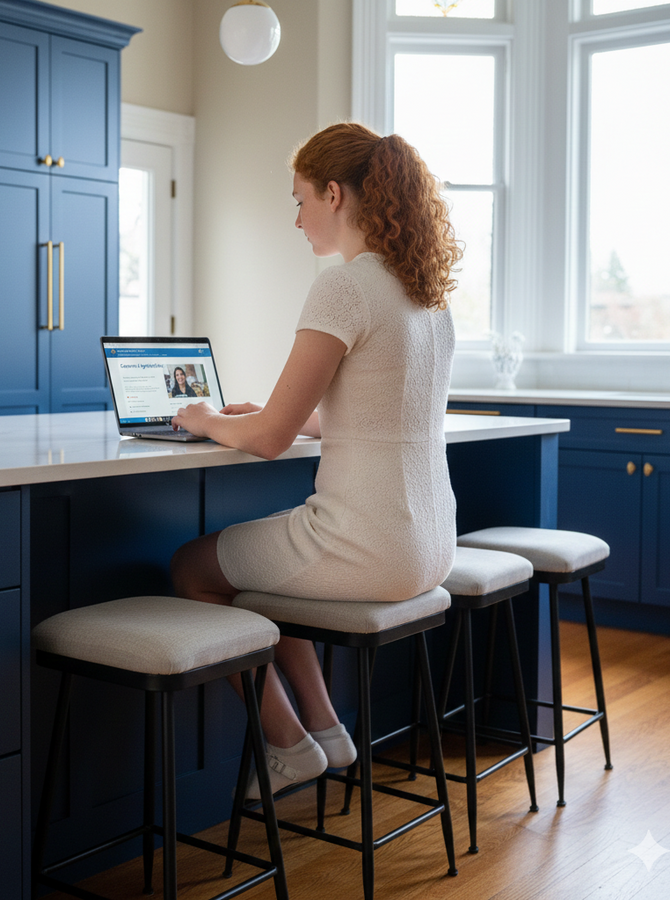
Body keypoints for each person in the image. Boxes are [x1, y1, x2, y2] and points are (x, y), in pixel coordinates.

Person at [170, 122, 462, 797]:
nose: (298, 219)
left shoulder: (345, 286)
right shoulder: (426, 294)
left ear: (334, 194)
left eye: (300, 200)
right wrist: (271, 417)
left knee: (194, 567)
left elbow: (270, 442)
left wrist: (206, 419)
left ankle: (287, 745)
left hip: (366, 546)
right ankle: (328, 732)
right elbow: (369, 415)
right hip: (428, 547)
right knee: (272, 575)